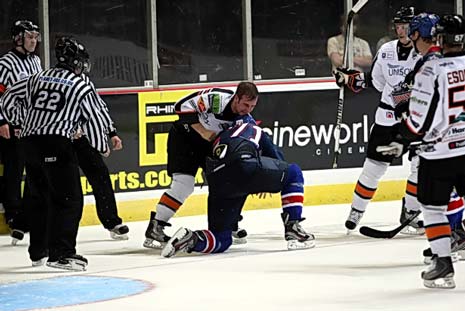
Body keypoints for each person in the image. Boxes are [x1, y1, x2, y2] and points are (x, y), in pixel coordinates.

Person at [1, 36, 111, 271]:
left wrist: (19, 120)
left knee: (39, 198)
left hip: (29, 143)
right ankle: (62, 254)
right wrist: (101, 145)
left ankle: (38, 252)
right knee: (68, 200)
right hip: (56, 143)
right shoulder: (79, 84)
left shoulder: (36, 77)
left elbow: (7, 97)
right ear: (75, 62)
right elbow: (93, 118)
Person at [376, 14, 465, 289]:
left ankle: (443, 265)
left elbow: (420, 118)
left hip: (439, 153)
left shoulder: (432, 69)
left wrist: (403, 138)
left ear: (439, 37)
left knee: (433, 208)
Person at [161, 122, 315, 258]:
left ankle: (192, 238)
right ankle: (293, 228)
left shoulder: (219, 135)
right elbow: (277, 159)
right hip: (244, 167)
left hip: (218, 180)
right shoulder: (254, 129)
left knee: (221, 239)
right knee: (294, 172)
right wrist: (266, 181)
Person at [333, 6, 421, 232]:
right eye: (399, 26)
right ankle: (357, 209)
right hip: (388, 117)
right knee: (374, 167)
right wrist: (351, 80)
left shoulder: (425, 54)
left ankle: (410, 209)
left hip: (417, 119)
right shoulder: (386, 50)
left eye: (406, 26)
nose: (401, 30)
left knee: (419, 166)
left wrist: (404, 95)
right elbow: (377, 81)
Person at [143, 82, 258, 249]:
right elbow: (180, 106)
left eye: (252, 106)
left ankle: (229, 223)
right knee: (183, 185)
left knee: (227, 183)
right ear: (236, 98)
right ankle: (156, 227)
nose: (248, 109)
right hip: (184, 138)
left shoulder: (246, 121)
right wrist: (202, 130)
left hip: (208, 146)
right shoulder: (217, 99)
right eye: (245, 104)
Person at [0, 20, 42, 245]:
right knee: (14, 171)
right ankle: (14, 215)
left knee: (35, 171)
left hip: (33, 126)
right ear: (18, 39)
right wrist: (1, 121)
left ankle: (29, 215)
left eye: (35, 36)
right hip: (12, 126)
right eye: (30, 36)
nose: (34, 41)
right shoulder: (5, 64)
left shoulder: (36, 61)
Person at [74, 74, 129, 240]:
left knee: (101, 177)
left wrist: (111, 132)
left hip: (83, 140)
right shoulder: (58, 81)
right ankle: (24, 223)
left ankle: (112, 222)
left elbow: (99, 108)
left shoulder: (84, 79)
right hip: (61, 140)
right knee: (66, 187)